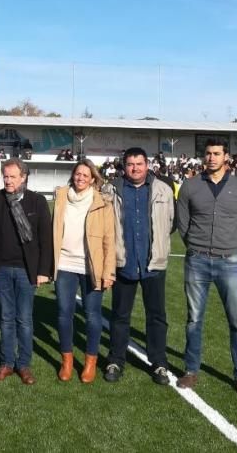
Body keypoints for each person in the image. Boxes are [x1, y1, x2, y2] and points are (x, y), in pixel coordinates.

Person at [176, 138, 237, 398]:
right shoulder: (189, 186)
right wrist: (198, 247)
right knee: (194, 320)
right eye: (208, 153)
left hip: (229, 262)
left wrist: (231, 249)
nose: (211, 158)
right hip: (197, 260)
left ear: (226, 157)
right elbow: (184, 225)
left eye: (217, 154)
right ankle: (190, 370)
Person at [0, 158, 53, 385]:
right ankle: (7, 364)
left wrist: (43, 271)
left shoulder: (38, 201)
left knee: (24, 319)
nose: (8, 181)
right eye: (5, 176)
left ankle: (24, 365)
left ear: (24, 177)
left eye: (12, 177)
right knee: (6, 317)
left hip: (26, 270)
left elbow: (45, 239)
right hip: (1, 269)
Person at [105, 149, 174, 386]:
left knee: (156, 316)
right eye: (130, 164)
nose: (135, 168)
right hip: (123, 263)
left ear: (148, 165)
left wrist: (160, 247)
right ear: (123, 166)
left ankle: (159, 363)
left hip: (152, 264)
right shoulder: (111, 190)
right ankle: (115, 359)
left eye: (139, 163)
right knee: (120, 316)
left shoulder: (163, 190)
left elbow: (170, 222)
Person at [52, 159, 115, 384]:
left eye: (85, 175)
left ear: (93, 179)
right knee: (63, 313)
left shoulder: (103, 203)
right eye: (78, 174)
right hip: (64, 265)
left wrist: (109, 272)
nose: (80, 178)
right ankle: (66, 360)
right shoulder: (60, 196)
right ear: (73, 175)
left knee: (92, 315)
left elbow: (110, 240)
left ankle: (90, 362)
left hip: (91, 266)